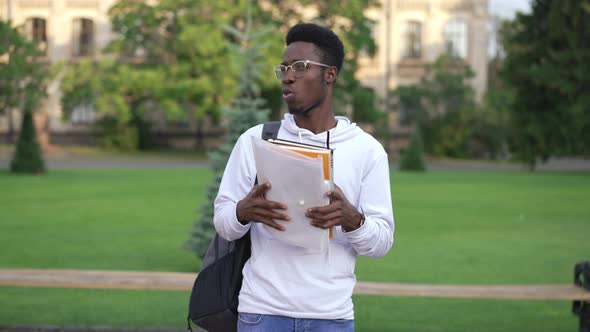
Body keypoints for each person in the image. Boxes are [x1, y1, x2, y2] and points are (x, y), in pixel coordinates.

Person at [214, 23, 395, 331]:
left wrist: (352, 219)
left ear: (330, 75)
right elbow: (223, 224)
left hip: (331, 318)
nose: (288, 76)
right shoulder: (256, 140)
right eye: (283, 68)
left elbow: (381, 243)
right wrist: (242, 212)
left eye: (299, 67)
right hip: (261, 314)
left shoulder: (367, 150)